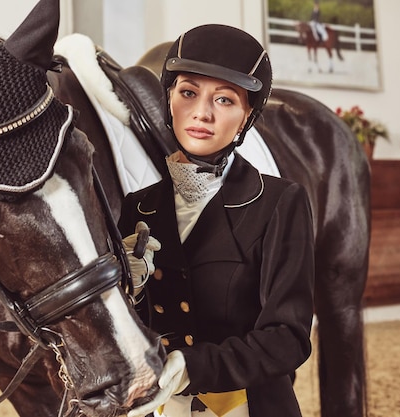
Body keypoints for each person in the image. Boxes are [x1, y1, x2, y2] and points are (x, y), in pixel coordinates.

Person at [120, 24, 315, 417]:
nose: (202, 113)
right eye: (188, 92)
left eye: (225, 100)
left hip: (246, 407)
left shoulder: (280, 202)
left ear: (246, 116)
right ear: (169, 100)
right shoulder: (137, 207)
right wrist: (130, 291)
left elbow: (289, 338)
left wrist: (194, 366)